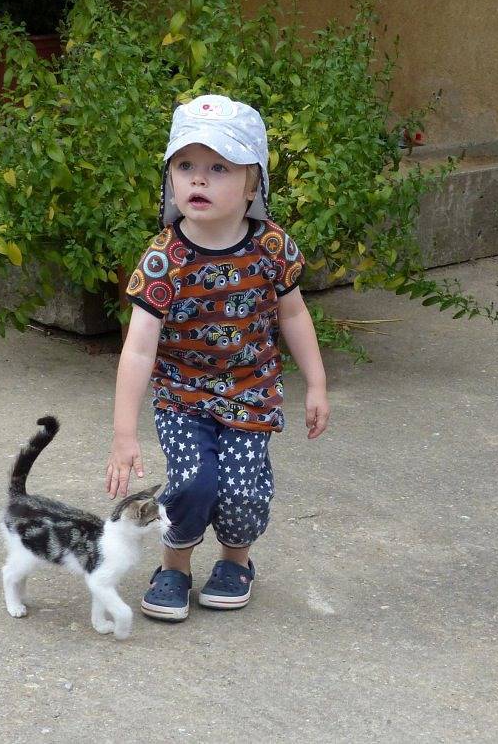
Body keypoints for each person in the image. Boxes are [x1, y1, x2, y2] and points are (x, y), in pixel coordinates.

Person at [105, 94, 329, 621]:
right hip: (183, 397)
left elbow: (294, 316)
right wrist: (123, 433)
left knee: (242, 490)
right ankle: (174, 567)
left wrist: (316, 384)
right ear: (170, 178)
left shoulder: (272, 247)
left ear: (253, 184)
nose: (198, 180)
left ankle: (235, 562)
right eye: (185, 166)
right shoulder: (164, 260)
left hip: (251, 394)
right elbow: (138, 350)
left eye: (218, 167)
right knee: (191, 482)